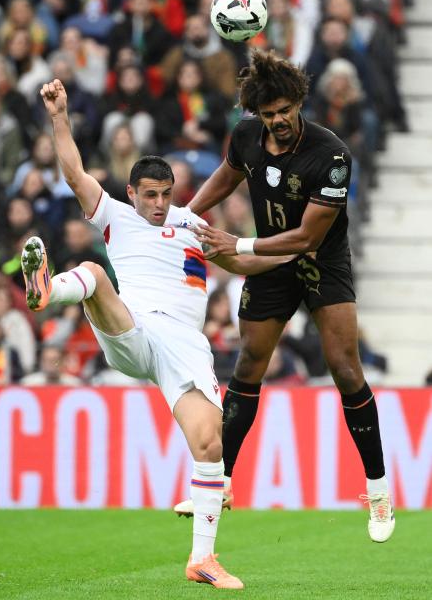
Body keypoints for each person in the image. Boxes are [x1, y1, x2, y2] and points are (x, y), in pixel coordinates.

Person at [21, 78, 293, 589]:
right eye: (151, 195)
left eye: (166, 194)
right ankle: (44, 291)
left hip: (184, 348)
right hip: (135, 328)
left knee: (210, 445)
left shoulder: (194, 225)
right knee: (94, 276)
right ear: (131, 193)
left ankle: (202, 561)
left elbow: (242, 262)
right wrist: (59, 116)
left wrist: (292, 252)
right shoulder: (115, 217)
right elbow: (75, 172)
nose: (160, 204)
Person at [174, 49, 395, 544]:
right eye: (268, 114)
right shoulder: (247, 136)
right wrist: (183, 216)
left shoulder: (332, 155)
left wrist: (239, 245)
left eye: (284, 111)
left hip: (320, 262)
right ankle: (217, 485)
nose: (277, 121)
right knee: (250, 362)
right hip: (271, 264)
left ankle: (379, 494)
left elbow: (307, 239)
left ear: (299, 102)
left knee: (344, 367)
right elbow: (227, 175)